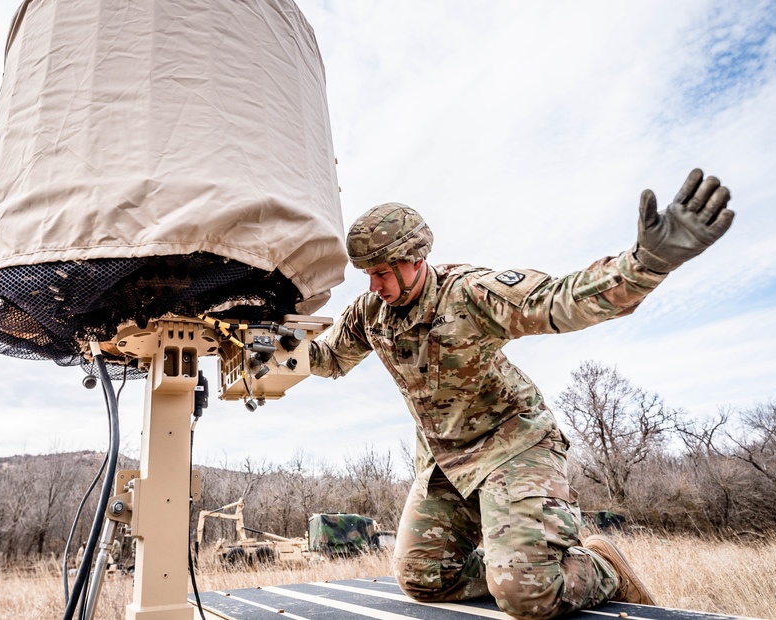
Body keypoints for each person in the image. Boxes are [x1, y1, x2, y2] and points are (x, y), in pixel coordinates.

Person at [308, 169, 733, 620]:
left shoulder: (469, 293)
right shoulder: (372, 312)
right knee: (423, 578)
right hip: (446, 461)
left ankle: (597, 568)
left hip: (514, 448)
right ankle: (515, 570)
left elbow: (558, 300)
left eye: (380, 273)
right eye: (367, 276)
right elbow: (328, 358)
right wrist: (266, 343)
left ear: (414, 258)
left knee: (530, 599)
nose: (373, 286)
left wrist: (646, 262)